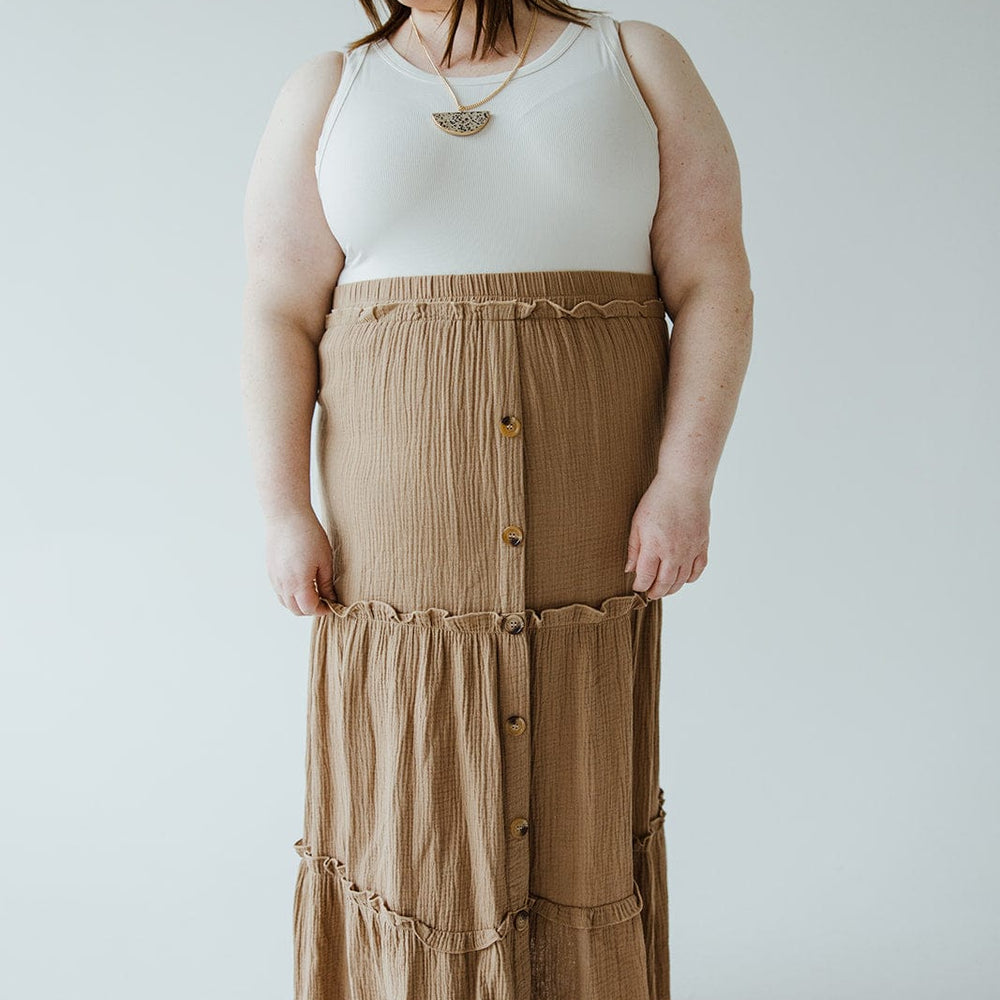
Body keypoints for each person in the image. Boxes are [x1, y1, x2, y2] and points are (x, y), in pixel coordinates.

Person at [241, 1, 753, 997]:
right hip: (395, 567)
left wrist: (685, 479)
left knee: (577, 787)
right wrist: (281, 507)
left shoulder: (633, 62)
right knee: (410, 803)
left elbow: (713, 277)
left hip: (587, 539)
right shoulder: (331, 90)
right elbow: (277, 308)